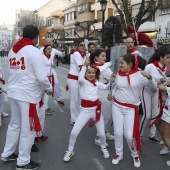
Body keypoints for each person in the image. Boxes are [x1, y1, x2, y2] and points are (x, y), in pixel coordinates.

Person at [1, 25, 52, 170]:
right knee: (28, 128)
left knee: (14, 124)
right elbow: (42, 77)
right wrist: (49, 88)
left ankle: (8, 152)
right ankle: (23, 162)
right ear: (36, 37)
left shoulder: (12, 50)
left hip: (13, 92)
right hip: (28, 95)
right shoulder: (34, 51)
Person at [108, 54, 157, 168]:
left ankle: (135, 154)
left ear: (130, 64)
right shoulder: (120, 73)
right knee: (118, 132)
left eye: (122, 63)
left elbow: (153, 88)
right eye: (120, 63)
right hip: (117, 106)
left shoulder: (140, 75)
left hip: (130, 108)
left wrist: (150, 77)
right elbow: (117, 86)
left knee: (129, 135)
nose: (119, 65)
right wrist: (112, 94)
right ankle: (118, 154)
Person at [63, 58, 110, 162]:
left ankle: (103, 147)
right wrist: (84, 65)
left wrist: (112, 80)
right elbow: (79, 79)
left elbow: (106, 87)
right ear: (85, 74)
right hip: (85, 111)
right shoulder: (82, 82)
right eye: (89, 73)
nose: (91, 74)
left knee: (102, 134)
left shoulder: (97, 82)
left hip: (96, 110)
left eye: (93, 73)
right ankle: (70, 151)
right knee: (74, 132)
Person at [140, 49, 170, 144]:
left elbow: (163, 80)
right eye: (167, 57)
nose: (169, 59)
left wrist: (160, 84)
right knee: (147, 115)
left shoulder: (165, 67)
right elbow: (142, 80)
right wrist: (154, 83)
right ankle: (139, 135)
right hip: (146, 91)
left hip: (156, 91)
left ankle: (152, 135)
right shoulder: (150, 66)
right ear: (161, 58)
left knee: (156, 116)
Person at [90, 49, 114, 146]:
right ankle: (98, 137)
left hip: (109, 90)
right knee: (106, 116)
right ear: (96, 57)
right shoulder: (95, 67)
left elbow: (111, 77)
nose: (105, 58)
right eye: (102, 56)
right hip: (102, 92)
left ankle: (106, 132)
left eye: (105, 56)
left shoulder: (105, 66)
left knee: (111, 115)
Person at [40, 38, 65, 115]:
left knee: (55, 85)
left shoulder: (52, 52)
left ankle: (58, 99)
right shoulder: (41, 52)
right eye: (50, 43)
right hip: (44, 75)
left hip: (51, 73)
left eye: (51, 48)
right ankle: (42, 106)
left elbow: (61, 56)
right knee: (44, 92)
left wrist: (63, 51)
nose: (50, 49)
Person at [67, 41, 86, 125]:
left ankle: (78, 116)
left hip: (79, 79)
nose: (83, 46)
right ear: (78, 46)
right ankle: (73, 119)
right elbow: (80, 67)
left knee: (79, 99)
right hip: (73, 79)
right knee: (74, 99)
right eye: (81, 45)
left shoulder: (84, 54)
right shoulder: (77, 54)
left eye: (84, 45)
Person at [157, 81, 170, 166]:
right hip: (166, 112)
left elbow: (160, 88)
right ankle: (166, 146)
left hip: (168, 114)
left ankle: (167, 145)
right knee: (157, 122)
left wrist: (166, 82)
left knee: (165, 137)